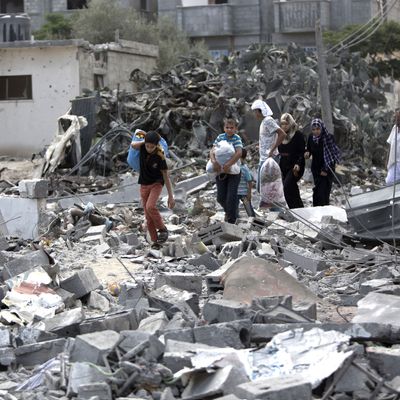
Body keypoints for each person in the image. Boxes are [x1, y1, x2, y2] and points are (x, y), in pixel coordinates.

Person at [131, 131, 175, 246]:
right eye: (147, 146)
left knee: (150, 206)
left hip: (156, 184)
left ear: (157, 145)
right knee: (148, 217)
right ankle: (156, 241)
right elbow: (133, 145)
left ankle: (162, 229)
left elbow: (166, 177)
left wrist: (171, 197)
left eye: (152, 146)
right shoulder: (142, 147)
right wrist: (144, 141)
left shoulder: (160, 155)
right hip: (144, 185)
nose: (149, 148)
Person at [251, 99, 286, 205]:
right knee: (263, 187)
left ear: (259, 111)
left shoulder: (268, 120)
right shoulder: (264, 122)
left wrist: (272, 149)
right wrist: (260, 146)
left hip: (270, 158)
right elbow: (268, 137)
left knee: (268, 187)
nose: (254, 114)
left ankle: (276, 209)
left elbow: (282, 134)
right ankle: (272, 209)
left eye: (255, 111)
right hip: (264, 157)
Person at [210, 118, 243, 223]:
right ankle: (230, 212)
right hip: (220, 171)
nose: (229, 130)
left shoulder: (237, 138)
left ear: (235, 129)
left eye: (231, 128)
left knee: (231, 197)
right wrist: (214, 161)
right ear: (224, 128)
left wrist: (229, 164)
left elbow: (239, 153)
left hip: (233, 173)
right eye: (227, 127)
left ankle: (232, 220)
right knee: (220, 197)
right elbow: (212, 150)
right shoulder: (220, 137)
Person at [305, 118, 340, 207]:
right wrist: (307, 153)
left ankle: (325, 211)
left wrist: (325, 169)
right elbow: (309, 149)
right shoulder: (311, 138)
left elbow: (332, 155)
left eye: (318, 129)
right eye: (313, 129)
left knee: (324, 191)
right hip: (316, 168)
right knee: (317, 190)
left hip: (328, 168)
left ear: (322, 128)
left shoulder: (328, 138)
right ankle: (317, 210)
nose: (315, 131)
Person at [278, 113, 305, 209]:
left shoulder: (297, 135)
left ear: (290, 123)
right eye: (282, 124)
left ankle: (296, 208)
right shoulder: (281, 135)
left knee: (287, 186)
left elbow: (302, 152)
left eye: (286, 124)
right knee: (291, 188)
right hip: (284, 165)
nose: (284, 126)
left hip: (295, 166)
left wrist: (298, 163)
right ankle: (297, 209)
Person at [237, 148, 256, 217]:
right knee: (234, 209)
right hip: (235, 193)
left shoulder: (244, 168)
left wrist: (249, 193)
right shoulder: (234, 167)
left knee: (249, 208)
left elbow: (249, 181)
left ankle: (254, 222)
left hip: (244, 193)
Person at [386, 108, 400, 185]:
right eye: (396, 119)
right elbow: (390, 144)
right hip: (394, 162)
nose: (397, 121)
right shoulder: (394, 128)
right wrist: (387, 160)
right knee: (389, 182)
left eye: (398, 119)